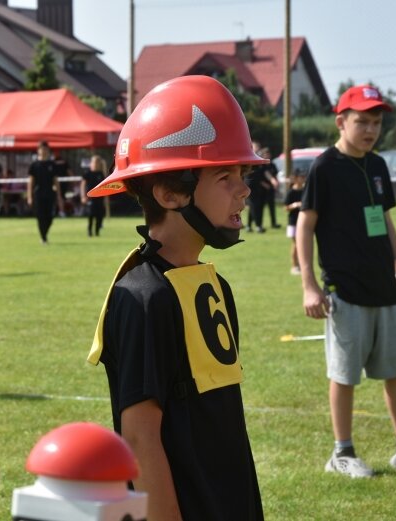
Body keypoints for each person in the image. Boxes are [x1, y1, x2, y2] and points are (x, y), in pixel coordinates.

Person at [86, 75, 264, 520]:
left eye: (242, 173)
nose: (243, 189)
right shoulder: (141, 298)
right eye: (225, 175)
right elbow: (140, 440)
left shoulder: (213, 285)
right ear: (169, 193)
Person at [297, 84, 396, 478]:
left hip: (384, 289)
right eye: (362, 121)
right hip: (345, 291)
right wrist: (309, 285)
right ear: (341, 121)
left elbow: (386, 221)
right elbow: (304, 225)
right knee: (344, 375)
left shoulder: (377, 165)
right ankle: (341, 453)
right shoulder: (325, 168)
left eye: (376, 122)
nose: (370, 129)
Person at [26, 141, 64, 243]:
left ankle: (45, 234)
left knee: (50, 217)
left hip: (50, 193)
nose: (43, 151)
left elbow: (56, 181)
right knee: (40, 216)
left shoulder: (52, 164)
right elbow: (31, 182)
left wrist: (59, 196)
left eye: (45, 149)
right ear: (38, 151)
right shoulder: (34, 165)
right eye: (41, 149)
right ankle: (43, 237)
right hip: (38, 194)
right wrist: (29, 196)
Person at [284, 168, 305, 275]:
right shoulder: (291, 192)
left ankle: (302, 266)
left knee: (303, 244)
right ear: (295, 178)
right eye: (301, 177)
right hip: (293, 222)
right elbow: (285, 208)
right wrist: (295, 205)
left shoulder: (305, 190)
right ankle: (294, 266)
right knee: (296, 244)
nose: (303, 179)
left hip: (304, 222)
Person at [79, 155, 107, 237]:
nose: (95, 164)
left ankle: (97, 231)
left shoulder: (101, 174)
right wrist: (83, 196)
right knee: (91, 215)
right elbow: (83, 185)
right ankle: (89, 231)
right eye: (94, 162)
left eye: (97, 162)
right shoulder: (87, 173)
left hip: (100, 198)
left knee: (100, 215)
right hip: (90, 198)